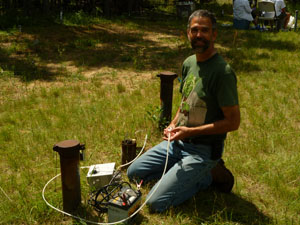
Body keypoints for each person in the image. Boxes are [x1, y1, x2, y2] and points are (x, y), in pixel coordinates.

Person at [127, 9, 240, 213]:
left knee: (155, 203)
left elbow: (233, 122)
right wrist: (173, 125)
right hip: (177, 143)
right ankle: (186, 172)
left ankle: (212, 173)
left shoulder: (222, 73)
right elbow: (185, 101)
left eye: (204, 30)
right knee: (134, 173)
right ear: (187, 33)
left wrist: (190, 132)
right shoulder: (189, 63)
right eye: (194, 30)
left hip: (203, 150)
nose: (198, 35)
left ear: (214, 34)